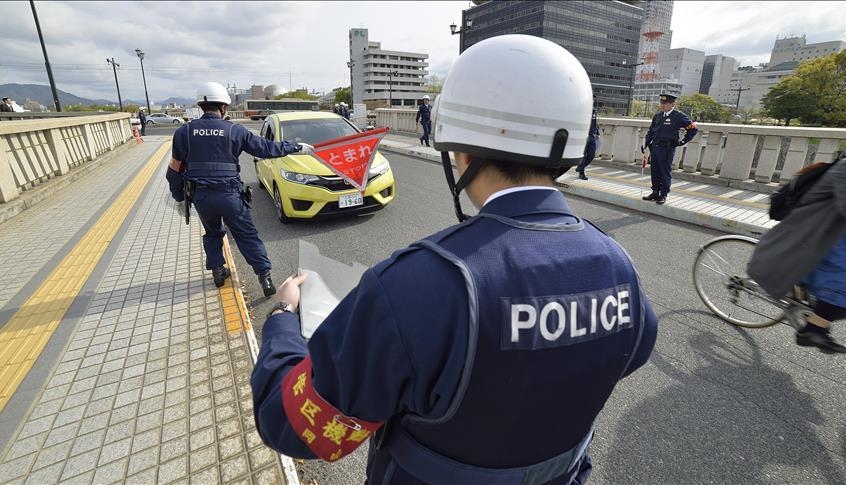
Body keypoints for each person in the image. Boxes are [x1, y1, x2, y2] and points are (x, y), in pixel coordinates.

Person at [251, 35, 658, 484]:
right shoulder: (619, 266)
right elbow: (627, 355)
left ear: (462, 154)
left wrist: (284, 320)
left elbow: (296, 427)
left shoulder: (415, 283)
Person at [165, 81, 314, 297]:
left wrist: (179, 197)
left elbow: (174, 170)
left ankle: (218, 271)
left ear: (200, 106)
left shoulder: (184, 132)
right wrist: (296, 146)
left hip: (202, 197)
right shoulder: (235, 130)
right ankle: (265, 278)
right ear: (224, 107)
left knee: (213, 233)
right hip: (230, 196)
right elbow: (265, 149)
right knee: (246, 235)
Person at [748, 158, 846, 353]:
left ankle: (816, 316)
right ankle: (813, 329)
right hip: (815, 234)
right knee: (841, 289)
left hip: (831, 232)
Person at [641, 93, 697, 205]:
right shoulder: (658, 116)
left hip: (667, 148)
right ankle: (655, 192)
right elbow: (651, 131)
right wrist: (646, 144)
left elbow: (693, 129)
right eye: (661, 103)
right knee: (655, 171)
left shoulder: (679, 116)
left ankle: (663, 194)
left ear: (672, 104)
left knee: (664, 172)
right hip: (655, 147)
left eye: (665, 104)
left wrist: (682, 141)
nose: (662, 106)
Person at [575, 107, 600, 180]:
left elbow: (595, 122)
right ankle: (581, 173)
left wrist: (597, 132)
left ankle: (580, 167)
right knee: (584, 155)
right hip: (583, 135)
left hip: (592, 135)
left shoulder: (594, 110)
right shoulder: (583, 109)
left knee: (591, 155)